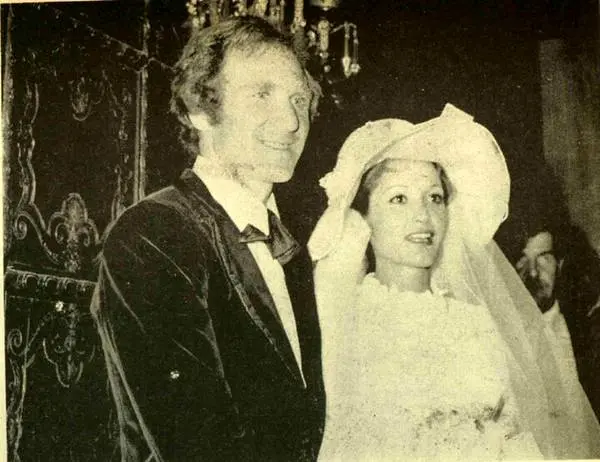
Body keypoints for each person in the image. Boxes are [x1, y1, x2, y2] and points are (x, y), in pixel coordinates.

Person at [307, 104, 600, 460]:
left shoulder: (475, 322)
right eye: (399, 198)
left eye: (435, 197)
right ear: (364, 216)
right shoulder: (345, 318)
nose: (423, 215)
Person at [90, 17, 325, 461]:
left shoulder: (291, 250)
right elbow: (193, 442)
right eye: (262, 94)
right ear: (199, 109)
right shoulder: (155, 232)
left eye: (300, 99)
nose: (293, 121)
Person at [515, 220, 600, 418]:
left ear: (559, 264)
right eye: (523, 259)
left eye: (544, 258)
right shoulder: (498, 334)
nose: (533, 271)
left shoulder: (586, 332)